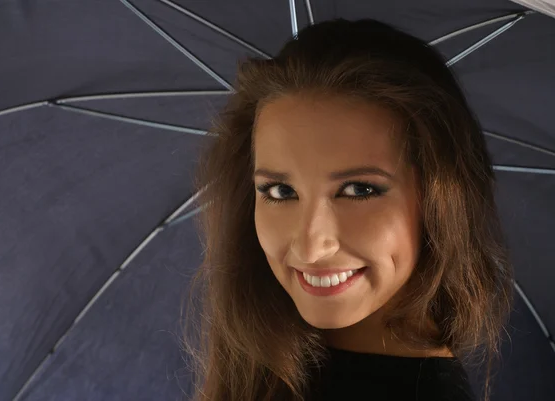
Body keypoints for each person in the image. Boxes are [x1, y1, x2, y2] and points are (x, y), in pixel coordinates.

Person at [181, 18, 513, 401]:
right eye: (280, 190)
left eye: (358, 189)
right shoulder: (267, 355)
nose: (310, 246)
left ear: (440, 202)